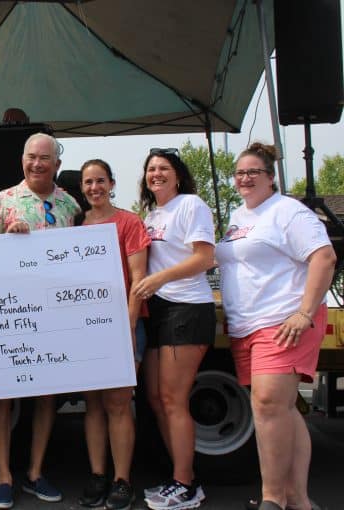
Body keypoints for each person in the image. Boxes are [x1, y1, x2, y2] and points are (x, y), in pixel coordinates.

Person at [214, 143, 335, 510]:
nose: (245, 178)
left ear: (271, 178)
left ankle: (273, 499)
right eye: (239, 173)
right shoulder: (239, 216)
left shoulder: (287, 212)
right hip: (246, 326)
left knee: (267, 405)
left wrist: (303, 312)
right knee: (279, 409)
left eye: (253, 172)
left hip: (284, 321)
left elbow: (324, 257)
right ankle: (300, 500)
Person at [0, 132, 81, 509]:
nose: (37, 164)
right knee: (3, 394)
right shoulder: (1, 202)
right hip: (8, 312)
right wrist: (6, 237)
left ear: (57, 163)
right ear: (22, 160)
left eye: (45, 158)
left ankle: (36, 471)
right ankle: (4, 475)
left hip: (54, 313)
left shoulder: (70, 204)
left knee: (45, 395)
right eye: (31, 157)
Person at [131, 148, 214, 510]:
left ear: (177, 175)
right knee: (155, 399)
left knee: (172, 399)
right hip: (158, 310)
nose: (156, 174)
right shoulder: (149, 214)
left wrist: (159, 278)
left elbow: (204, 258)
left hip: (187, 309)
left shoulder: (191, 205)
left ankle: (186, 484)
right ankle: (179, 477)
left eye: (164, 168)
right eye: (151, 169)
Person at [77, 159, 149, 510]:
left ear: (112, 183)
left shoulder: (129, 222)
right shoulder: (75, 224)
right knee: (92, 405)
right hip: (85, 328)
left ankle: (122, 480)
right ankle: (97, 474)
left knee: (118, 404)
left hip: (122, 325)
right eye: (88, 182)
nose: (94, 188)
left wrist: (128, 327)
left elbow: (138, 282)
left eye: (100, 181)